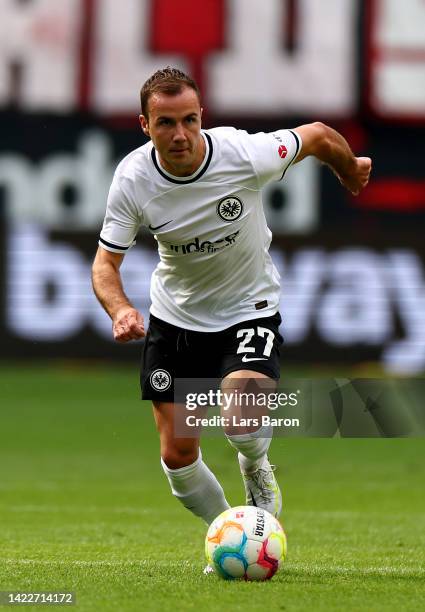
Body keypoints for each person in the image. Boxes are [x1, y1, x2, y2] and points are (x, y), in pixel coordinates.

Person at [92, 67, 371, 566]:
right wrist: (120, 309)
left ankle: (256, 464)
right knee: (177, 458)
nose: (180, 135)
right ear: (144, 125)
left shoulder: (242, 154)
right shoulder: (133, 179)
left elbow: (321, 136)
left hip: (249, 308)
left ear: (203, 117)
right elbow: (105, 264)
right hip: (176, 319)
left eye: (190, 120)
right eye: (165, 123)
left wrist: (348, 168)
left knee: (241, 421)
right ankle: (231, 532)